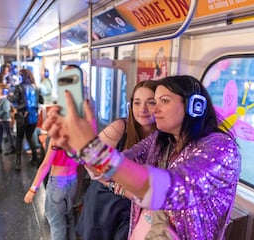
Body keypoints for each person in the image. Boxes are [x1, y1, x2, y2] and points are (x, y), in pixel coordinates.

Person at [43, 75, 241, 239]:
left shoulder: (221, 148)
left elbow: (176, 189)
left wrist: (95, 152)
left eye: (163, 101)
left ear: (195, 106)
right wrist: (78, 149)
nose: (154, 110)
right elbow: (121, 163)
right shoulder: (161, 140)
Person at [76, 80, 157, 240]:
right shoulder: (120, 127)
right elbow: (88, 160)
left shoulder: (166, 136)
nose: (143, 109)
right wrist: (118, 187)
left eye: (151, 102)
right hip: (106, 202)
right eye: (137, 103)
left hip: (136, 209)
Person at [24, 138, 79, 240]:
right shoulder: (80, 136)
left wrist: (32, 189)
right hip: (73, 181)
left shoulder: (56, 139)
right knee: (70, 219)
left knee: (57, 225)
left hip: (57, 184)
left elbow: (45, 165)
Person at [7, 68, 44, 170]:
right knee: (30, 136)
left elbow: (14, 99)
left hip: (22, 115)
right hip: (33, 116)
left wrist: (8, 95)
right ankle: (35, 158)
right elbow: (41, 100)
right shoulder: (36, 88)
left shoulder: (19, 87)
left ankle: (18, 162)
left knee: (19, 138)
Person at [0, 83, 15, 155]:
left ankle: (12, 147)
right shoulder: (1, 98)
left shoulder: (5, 99)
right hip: (1, 119)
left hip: (5, 119)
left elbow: (6, 109)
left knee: (8, 133)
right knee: (0, 133)